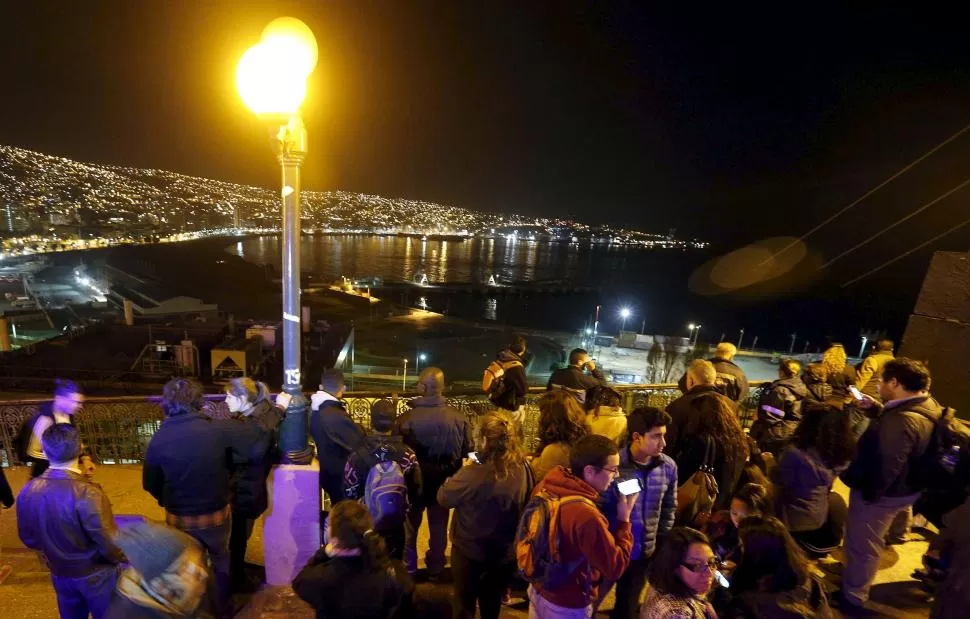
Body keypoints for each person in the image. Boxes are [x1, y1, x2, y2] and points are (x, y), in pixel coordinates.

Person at [143, 378, 260, 619]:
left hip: (179, 516)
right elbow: (248, 443)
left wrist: (166, 500)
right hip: (215, 512)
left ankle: (191, 611)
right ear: (198, 401)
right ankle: (223, 610)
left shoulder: (159, 439)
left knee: (184, 565)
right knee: (219, 559)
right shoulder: (216, 429)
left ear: (167, 404)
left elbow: (150, 484)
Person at [839, 358, 943, 611]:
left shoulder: (901, 422)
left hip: (882, 496)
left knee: (862, 545)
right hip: (908, 490)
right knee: (873, 539)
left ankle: (853, 597)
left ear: (894, 383)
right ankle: (898, 534)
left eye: (882, 381)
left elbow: (886, 466)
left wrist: (867, 495)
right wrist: (875, 408)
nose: (878, 386)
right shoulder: (927, 405)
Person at [17, 424, 125, 619]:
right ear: (79, 449)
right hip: (96, 573)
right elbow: (109, 542)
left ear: (46, 451)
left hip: (60, 572)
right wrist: (126, 557)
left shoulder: (29, 490)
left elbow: (28, 538)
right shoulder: (88, 492)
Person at [437, 411, 534, 619]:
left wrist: (461, 473)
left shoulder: (474, 472)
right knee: (492, 602)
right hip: (504, 550)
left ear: (483, 439)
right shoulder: (523, 466)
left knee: (464, 604)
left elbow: (444, 498)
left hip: (470, 549)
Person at [528, 434, 637, 618]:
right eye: (613, 469)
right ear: (589, 471)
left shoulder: (547, 485)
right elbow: (615, 567)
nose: (616, 476)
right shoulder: (586, 515)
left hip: (539, 588)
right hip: (567, 602)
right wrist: (624, 519)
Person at [394, 367, 473, 578]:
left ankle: (408, 568)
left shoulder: (405, 419)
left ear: (422, 387)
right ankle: (436, 568)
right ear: (442, 387)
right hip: (444, 481)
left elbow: (397, 453)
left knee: (410, 527)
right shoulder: (459, 418)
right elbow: (468, 451)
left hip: (415, 482)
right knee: (439, 526)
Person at [600, 406, 678, 619]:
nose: (663, 443)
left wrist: (660, 541)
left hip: (643, 552)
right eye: (656, 437)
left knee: (627, 606)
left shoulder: (668, 467)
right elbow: (599, 506)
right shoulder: (613, 466)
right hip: (611, 549)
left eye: (664, 436)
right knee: (591, 602)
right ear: (636, 437)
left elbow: (669, 507)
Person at [293, 500, 414, 619]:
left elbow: (299, 582)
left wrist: (324, 552)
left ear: (334, 539)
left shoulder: (320, 578)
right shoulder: (394, 575)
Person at [224, 377, 283, 592]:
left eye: (230, 396)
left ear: (243, 399)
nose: (225, 400)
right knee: (241, 535)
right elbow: (269, 423)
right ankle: (238, 572)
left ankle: (237, 581)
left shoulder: (250, 427)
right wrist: (280, 407)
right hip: (252, 487)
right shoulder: (264, 413)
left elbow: (254, 450)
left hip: (245, 488)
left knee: (238, 537)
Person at [772, 403, 854, 558]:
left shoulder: (795, 454)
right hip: (818, 516)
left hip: (793, 523)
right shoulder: (842, 454)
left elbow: (778, 481)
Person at [344, 399, 422, 560]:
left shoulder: (357, 456)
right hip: (397, 525)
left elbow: (348, 491)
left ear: (371, 422)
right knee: (396, 564)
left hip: (367, 526)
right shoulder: (408, 455)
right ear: (394, 423)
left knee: (369, 565)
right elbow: (417, 490)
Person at [721, 516, 832, 618]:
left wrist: (723, 591)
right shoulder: (812, 582)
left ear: (757, 555)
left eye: (742, 546)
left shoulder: (747, 605)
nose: (737, 551)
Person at [106, 521, 212, 619]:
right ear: (159, 585)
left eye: (194, 561)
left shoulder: (175, 597)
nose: (203, 573)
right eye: (183, 568)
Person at [672, 394, 749, 512]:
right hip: (724, 505)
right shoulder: (738, 441)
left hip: (700, 506)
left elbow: (683, 474)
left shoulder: (701, 442)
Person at [309, 369, 367, 508]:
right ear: (343, 389)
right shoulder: (334, 414)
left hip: (328, 471)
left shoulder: (315, 409)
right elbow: (359, 442)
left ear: (321, 387)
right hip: (341, 478)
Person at [640, 527, 718, 619]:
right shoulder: (677, 613)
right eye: (697, 565)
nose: (709, 573)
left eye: (711, 562)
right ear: (674, 566)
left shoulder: (662, 584)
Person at [665, 360, 737, 460]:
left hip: (688, 469)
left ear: (691, 380)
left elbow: (668, 444)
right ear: (713, 379)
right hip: (724, 466)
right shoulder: (731, 405)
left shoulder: (677, 406)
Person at [17, 378, 85, 478]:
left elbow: (71, 442)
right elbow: (28, 453)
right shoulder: (43, 420)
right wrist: (61, 456)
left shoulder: (69, 415)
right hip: (47, 477)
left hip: (66, 474)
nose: (80, 406)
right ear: (59, 398)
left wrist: (84, 458)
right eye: (75, 402)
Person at [749, 359, 811, 456]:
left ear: (782, 373)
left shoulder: (780, 390)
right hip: (792, 430)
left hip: (776, 432)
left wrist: (759, 418)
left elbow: (772, 415)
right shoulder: (802, 387)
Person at [705, 483, 770, 569]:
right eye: (734, 513)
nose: (737, 521)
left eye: (745, 516)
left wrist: (738, 570)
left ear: (760, 515)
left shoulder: (767, 539)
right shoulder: (721, 523)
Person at [531, 389, 589, 482]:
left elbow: (540, 480)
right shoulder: (582, 441)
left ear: (547, 417)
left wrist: (534, 463)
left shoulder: (555, 450)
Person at [678, 343, 749, 404]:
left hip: (697, 409)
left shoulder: (700, 365)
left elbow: (682, 384)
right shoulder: (737, 372)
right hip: (725, 411)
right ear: (731, 356)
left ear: (716, 352)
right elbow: (743, 393)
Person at [485, 335, 529, 429]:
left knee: (501, 433)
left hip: (500, 405)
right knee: (512, 436)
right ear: (523, 349)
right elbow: (523, 390)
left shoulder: (502, 359)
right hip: (511, 409)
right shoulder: (516, 366)